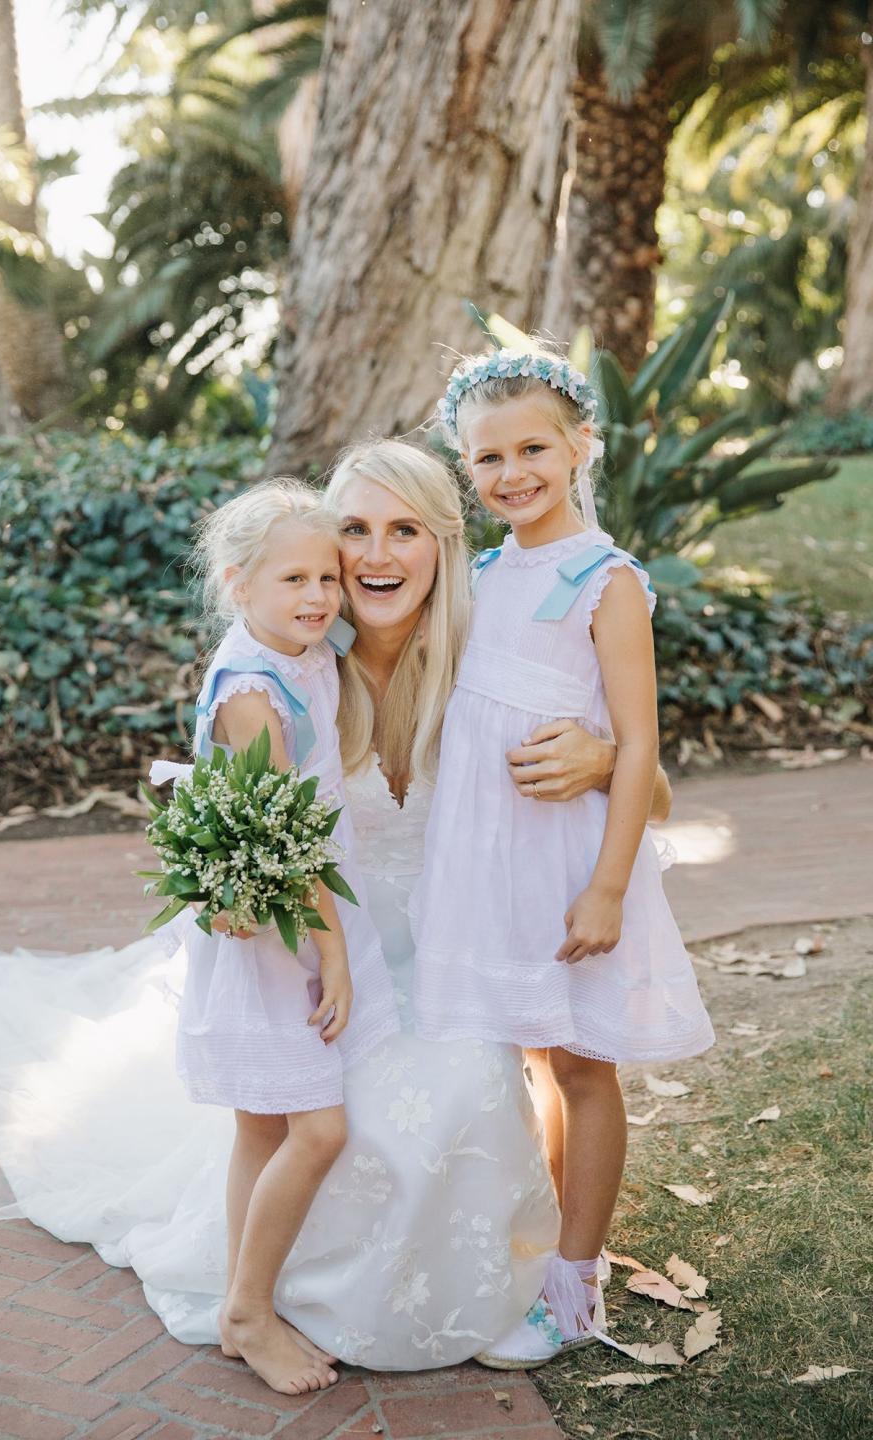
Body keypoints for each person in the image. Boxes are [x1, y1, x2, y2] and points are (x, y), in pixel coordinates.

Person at [0, 437, 671, 1372]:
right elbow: (235, 808)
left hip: (445, 947)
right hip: (317, 954)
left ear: (445, 543)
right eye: (356, 530)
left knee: (473, 1080)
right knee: (341, 1118)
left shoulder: (487, 652)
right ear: (323, 544)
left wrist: (601, 758)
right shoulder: (299, 658)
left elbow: (646, 775)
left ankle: (521, 1280)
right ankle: (271, 1298)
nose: (378, 556)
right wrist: (236, 890)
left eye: (405, 530)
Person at [409, 347, 715, 1368]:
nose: (512, 473)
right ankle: (547, 1242)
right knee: (536, 1052)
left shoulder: (607, 580)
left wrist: (608, 889)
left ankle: (577, 1289)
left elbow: (640, 750)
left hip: (568, 866)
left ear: (582, 444)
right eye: (487, 457)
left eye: (533, 446)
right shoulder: (486, 574)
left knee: (584, 1064)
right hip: (487, 864)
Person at [152, 479, 399, 1392]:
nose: (319, 597)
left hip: (302, 903)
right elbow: (286, 845)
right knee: (318, 1130)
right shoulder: (253, 691)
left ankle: (240, 1299)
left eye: (328, 577)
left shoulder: (299, 652)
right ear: (237, 582)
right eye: (294, 578)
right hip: (281, 926)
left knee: (263, 1124)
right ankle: (250, 1311)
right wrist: (332, 950)